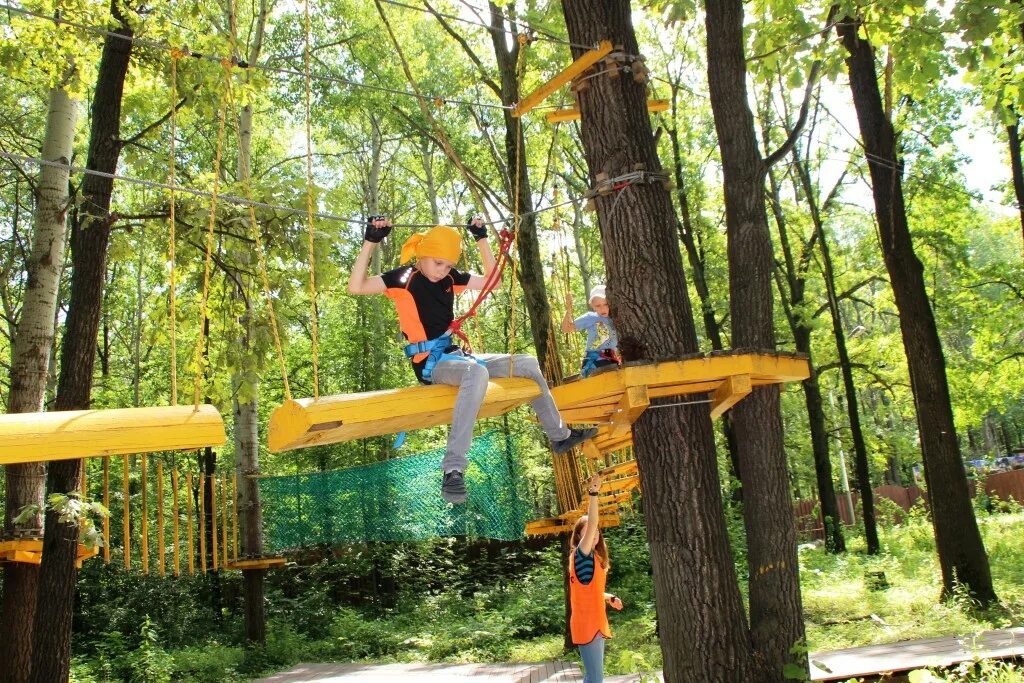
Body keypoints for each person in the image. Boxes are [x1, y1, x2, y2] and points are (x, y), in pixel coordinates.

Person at [347, 215, 597, 504]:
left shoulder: (451, 279)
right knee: (476, 374)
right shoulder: (403, 279)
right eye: (438, 263)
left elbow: (494, 281)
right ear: (423, 255)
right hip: (431, 363)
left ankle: (559, 435)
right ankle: (453, 468)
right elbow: (357, 286)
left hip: (456, 356)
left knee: (526, 363)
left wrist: (482, 239)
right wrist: (371, 242)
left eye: (449, 265)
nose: (443, 271)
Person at [569, 473, 624, 683]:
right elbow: (592, 523)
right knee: (595, 678)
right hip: (587, 624)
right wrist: (593, 493)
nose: (594, 534)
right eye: (588, 533)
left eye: (597, 532)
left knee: (594, 677)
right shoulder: (581, 556)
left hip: (596, 622)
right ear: (580, 538)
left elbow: (590, 591)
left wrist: (609, 597)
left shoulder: (593, 559)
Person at [561, 285, 621, 378]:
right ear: (593, 306)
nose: (602, 308)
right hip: (595, 360)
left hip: (612, 360)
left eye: (605, 304)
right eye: (598, 305)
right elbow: (566, 328)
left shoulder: (616, 318)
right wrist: (568, 309)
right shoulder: (591, 317)